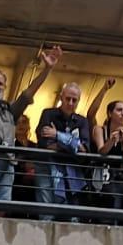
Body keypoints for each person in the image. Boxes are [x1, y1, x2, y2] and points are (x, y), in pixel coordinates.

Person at [0, 20, 61, 213]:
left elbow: (28, 93)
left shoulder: (10, 110)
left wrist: (47, 69)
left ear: (5, 87)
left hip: (8, 160)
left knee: (2, 205)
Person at [36, 81, 95, 211]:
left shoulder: (82, 121)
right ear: (61, 97)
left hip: (72, 174)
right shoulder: (48, 114)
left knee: (71, 215)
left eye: (74, 100)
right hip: (48, 169)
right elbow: (44, 143)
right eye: (68, 98)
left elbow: (84, 149)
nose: (70, 103)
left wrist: (57, 135)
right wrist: (72, 144)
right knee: (46, 212)